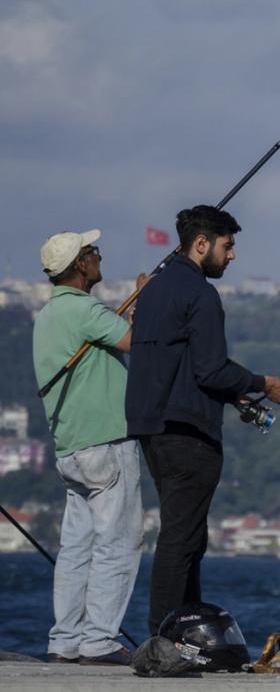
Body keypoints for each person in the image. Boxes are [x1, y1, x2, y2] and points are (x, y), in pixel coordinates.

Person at [125, 205, 280, 634]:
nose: (232, 256)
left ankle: (185, 630)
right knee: (181, 539)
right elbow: (211, 369)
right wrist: (265, 383)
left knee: (186, 536)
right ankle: (165, 636)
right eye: (228, 246)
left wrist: (234, 391)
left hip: (152, 427)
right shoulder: (202, 295)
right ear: (201, 244)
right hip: (189, 434)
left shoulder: (151, 292)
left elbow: (183, 364)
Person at [32, 230, 143, 666]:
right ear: (80, 265)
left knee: (76, 548)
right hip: (106, 442)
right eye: (93, 252)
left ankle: (64, 641)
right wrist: (142, 298)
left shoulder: (48, 315)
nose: (99, 256)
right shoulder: (85, 309)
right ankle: (99, 641)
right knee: (119, 541)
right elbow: (136, 342)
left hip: (70, 448)